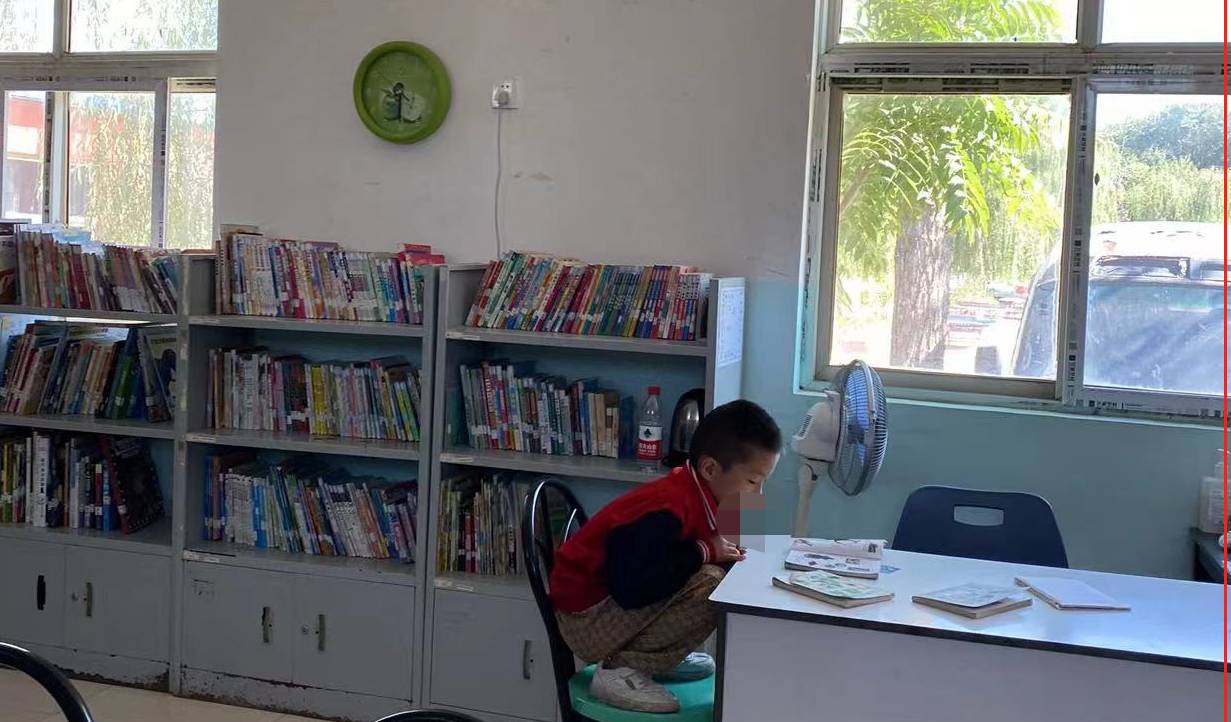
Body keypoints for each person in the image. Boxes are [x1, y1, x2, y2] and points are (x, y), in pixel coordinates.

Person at [549, 399, 782, 713]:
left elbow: (744, 553)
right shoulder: (667, 507)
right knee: (712, 584)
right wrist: (704, 550)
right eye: (753, 482)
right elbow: (631, 586)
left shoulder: (715, 491)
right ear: (710, 469)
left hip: (617, 602)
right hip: (586, 618)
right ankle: (621, 670)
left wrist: (742, 548)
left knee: (722, 572)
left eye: (764, 482)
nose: (758, 494)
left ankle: (659, 654)